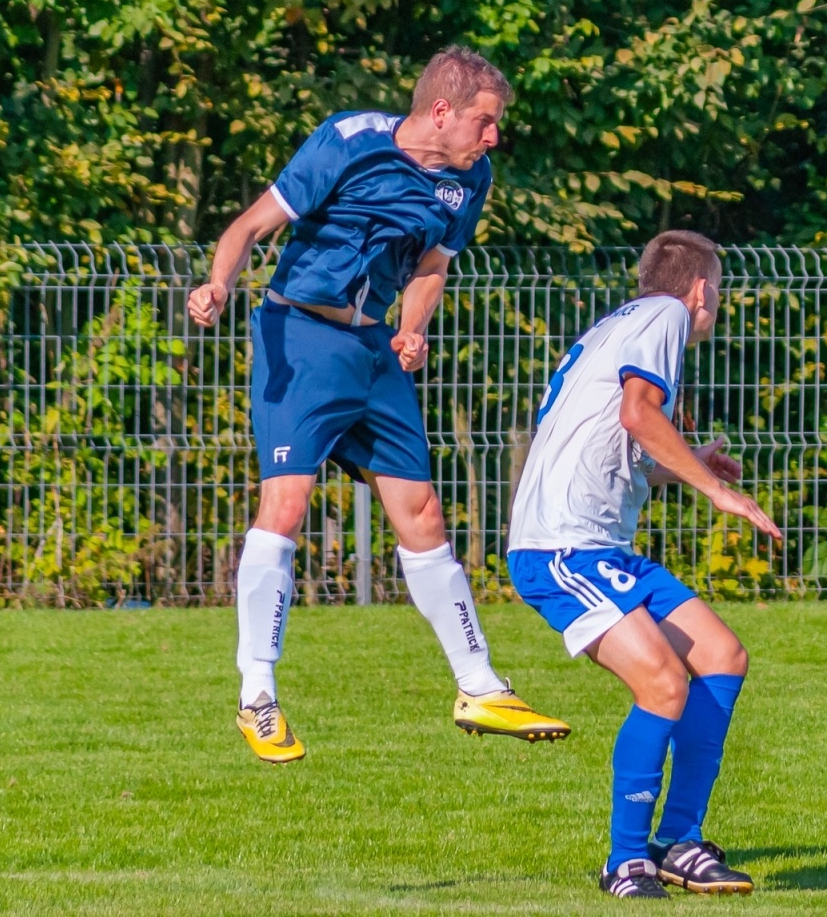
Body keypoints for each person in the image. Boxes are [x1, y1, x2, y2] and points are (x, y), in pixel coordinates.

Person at [187, 45, 569, 763]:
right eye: (485, 122)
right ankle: (257, 696)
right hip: (299, 338)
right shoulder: (348, 142)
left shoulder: (470, 179)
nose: (494, 137)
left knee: (422, 512)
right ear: (442, 111)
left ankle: (480, 686)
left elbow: (431, 265)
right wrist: (218, 285)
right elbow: (247, 228)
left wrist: (413, 329)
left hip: (373, 354)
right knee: (288, 504)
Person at [506, 230, 782, 899]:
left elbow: (612, 439)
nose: (715, 304)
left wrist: (672, 469)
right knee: (663, 683)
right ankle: (625, 860)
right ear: (701, 290)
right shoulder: (665, 316)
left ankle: (680, 844)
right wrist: (716, 489)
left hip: (599, 547)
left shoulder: (623, 322)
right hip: (562, 549)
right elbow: (638, 413)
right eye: (717, 291)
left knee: (721, 655)